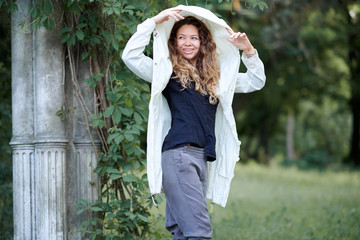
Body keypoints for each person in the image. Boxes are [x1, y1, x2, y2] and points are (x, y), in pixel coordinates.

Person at [122, 5, 266, 239]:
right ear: (174, 42)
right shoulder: (166, 71)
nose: (188, 43)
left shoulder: (215, 78)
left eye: (193, 38)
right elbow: (130, 56)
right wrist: (153, 21)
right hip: (179, 156)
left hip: (201, 158)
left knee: (183, 232)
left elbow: (255, 81)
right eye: (181, 38)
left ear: (203, 43)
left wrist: (248, 50)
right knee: (199, 232)